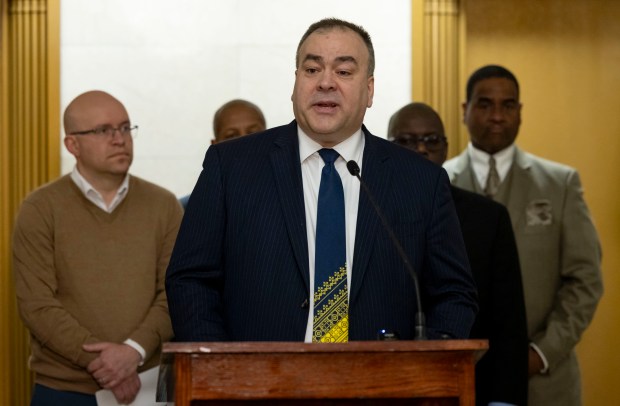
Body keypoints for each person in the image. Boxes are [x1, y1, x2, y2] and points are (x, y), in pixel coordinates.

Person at [166, 18, 478, 344]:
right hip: (254, 385)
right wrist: (221, 371)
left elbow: (453, 293)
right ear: (295, 82)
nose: (325, 82)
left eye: (343, 72)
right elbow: (190, 279)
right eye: (312, 70)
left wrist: (421, 374)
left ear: (369, 90)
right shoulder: (231, 167)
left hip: (379, 385)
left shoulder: (420, 181)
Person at [443, 65, 603, 406]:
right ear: (464, 110)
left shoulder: (560, 184)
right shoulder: (440, 184)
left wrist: (541, 354)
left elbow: (585, 279)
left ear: (520, 112)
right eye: (484, 104)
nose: (497, 116)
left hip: (545, 381)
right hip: (460, 379)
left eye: (508, 105)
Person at [12, 90, 183, 405]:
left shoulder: (164, 205)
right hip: (64, 391)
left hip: (148, 384)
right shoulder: (40, 208)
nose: (119, 139)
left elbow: (175, 292)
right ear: (72, 145)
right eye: (103, 131)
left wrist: (132, 351)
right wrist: (104, 364)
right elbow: (37, 305)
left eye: (125, 127)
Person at [388, 102, 528, 406]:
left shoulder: (488, 218)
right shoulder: (366, 211)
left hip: (472, 386)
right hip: (384, 384)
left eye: (432, 141)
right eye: (406, 142)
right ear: (387, 149)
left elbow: (508, 322)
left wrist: (504, 401)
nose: (421, 150)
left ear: (447, 148)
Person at [179, 98, 266, 208]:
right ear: (214, 145)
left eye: (253, 133)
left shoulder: (289, 200)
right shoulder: (186, 209)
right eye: (232, 136)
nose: (245, 142)